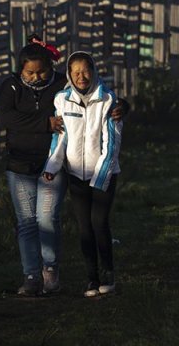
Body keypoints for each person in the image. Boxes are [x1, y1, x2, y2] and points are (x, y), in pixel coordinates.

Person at [0, 37, 126, 296]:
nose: (35, 76)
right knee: (27, 222)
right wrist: (45, 124)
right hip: (20, 164)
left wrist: (124, 106)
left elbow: (94, 96)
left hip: (53, 165)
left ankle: (51, 272)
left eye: (41, 71)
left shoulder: (60, 86)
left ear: (52, 68)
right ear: (20, 70)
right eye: (29, 72)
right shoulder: (12, 87)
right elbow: (6, 117)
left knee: (49, 218)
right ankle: (32, 276)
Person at [43, 51, 123, 298]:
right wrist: (52, 167)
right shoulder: (62, 100)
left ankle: (108, 273)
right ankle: (92, 279)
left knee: (99, 223)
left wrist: (100, 177)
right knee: (84, 228)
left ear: (94, 70)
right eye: (75, 72)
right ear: (69, 73)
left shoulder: (108, 99)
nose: (81, 76)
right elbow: (60, 138)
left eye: (85, 70)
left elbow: (112, 142)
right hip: (76, 175)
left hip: (104, 175)